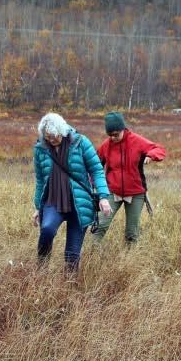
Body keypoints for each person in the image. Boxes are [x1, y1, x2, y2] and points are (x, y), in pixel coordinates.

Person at [32, 112, 113, 271]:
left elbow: (96, 170)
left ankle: (69, 286)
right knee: (47, 229)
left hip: (79, 203)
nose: (51, 140)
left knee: (72, 253)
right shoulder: (41, 148)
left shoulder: (80, 143)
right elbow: (40, 179)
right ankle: (40, 271)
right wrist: (37, 207)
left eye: (55, 137)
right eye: (47, 137)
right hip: (53, 201)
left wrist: (103, 197)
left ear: (63, 131)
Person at [93, 112, 166, 244]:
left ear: (123, 129)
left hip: (136, 192)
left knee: (131, 233)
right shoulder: (106, 145)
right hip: (112, 191)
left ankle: (129, 259)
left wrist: (151, 155)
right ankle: (90, 254)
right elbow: (95, 165)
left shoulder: (137, 141)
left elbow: (158, 149)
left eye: (116, 134)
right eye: (110, 135)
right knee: (101, 226)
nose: (113, 138)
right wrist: (91, 183)